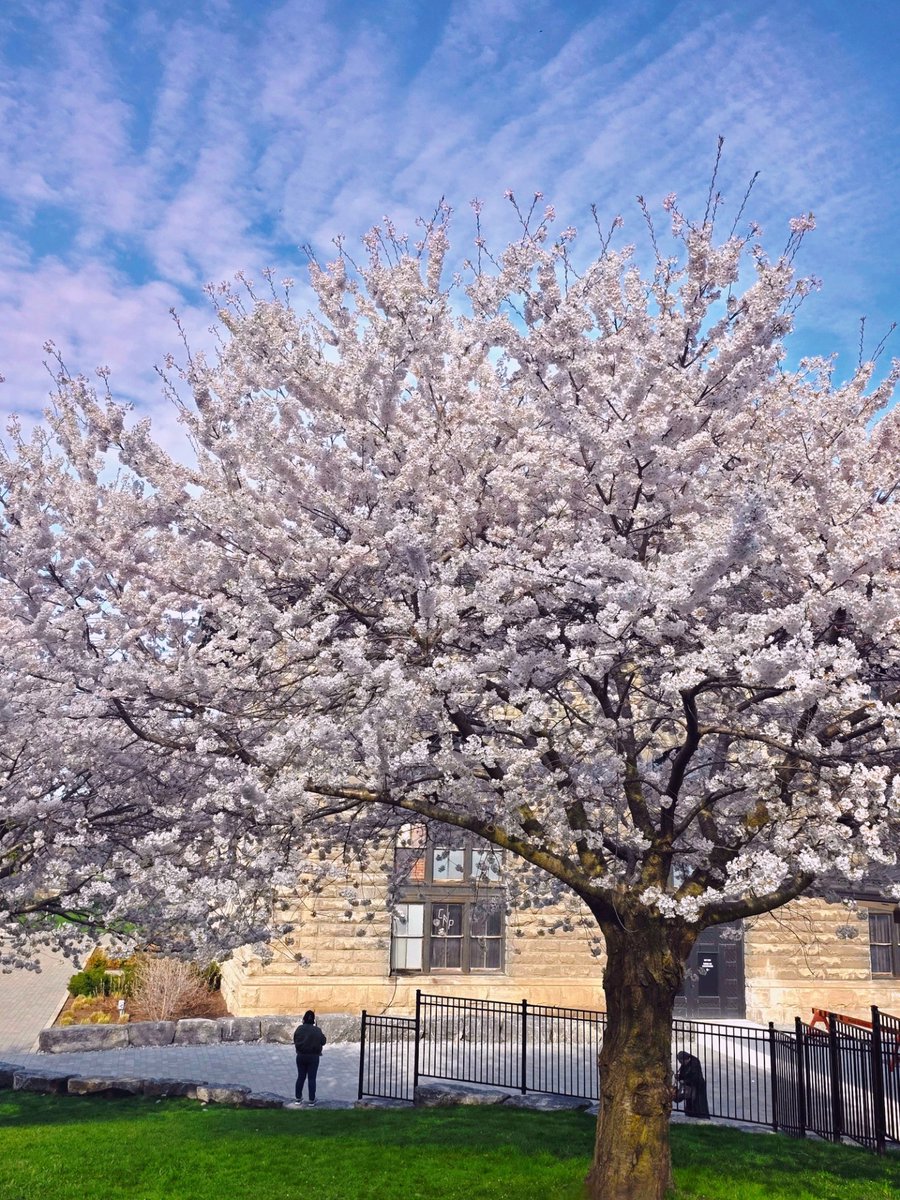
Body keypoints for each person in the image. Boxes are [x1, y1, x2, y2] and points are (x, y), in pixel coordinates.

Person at [287, 1010, 327, 1107]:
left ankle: (298, 1098)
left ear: (304, 1019)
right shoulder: (317, 1030)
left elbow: (295, 1039)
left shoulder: (299, 1029)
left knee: (301, 1077)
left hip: (301, 1056)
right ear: (313, 1020)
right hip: (313, 1057)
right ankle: (311, 1100)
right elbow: (323, 1041)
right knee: (311, 1078)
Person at [673, 1050, 710, 1118]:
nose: (681, 1063)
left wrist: (684, 1080)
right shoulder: (684, 1064)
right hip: (689, 1085)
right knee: (690, 1101)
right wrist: (679, 1077)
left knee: (698, 1103)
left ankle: (701, 1116)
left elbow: (695, 1076)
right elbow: (683, 1073)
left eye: (681, 1061)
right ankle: (690, 1114)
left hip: (697, 1085)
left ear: (686, 1059)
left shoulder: (694, 1062)